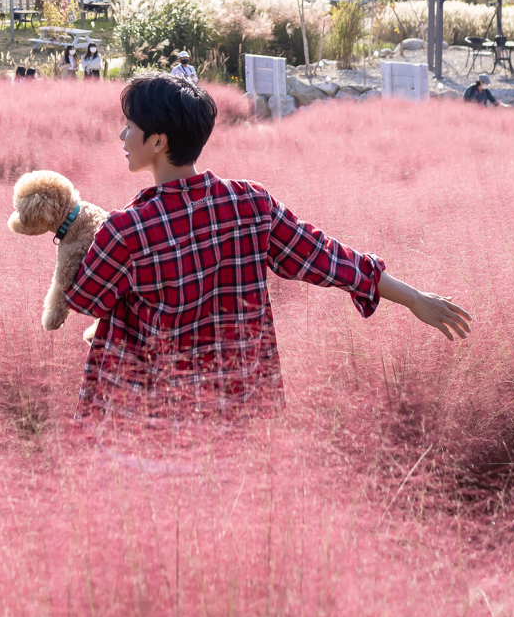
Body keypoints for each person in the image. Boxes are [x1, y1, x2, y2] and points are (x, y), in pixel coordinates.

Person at [62, 73, 471, 424]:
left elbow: (84, 297)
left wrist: (70, 229)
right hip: (241, 414)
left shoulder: (125, 229)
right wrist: (414, 298)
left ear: (158, 141)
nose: (122, 134)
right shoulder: (251, 203)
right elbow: (327, 258)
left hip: (149, 422)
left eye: (129, 125)